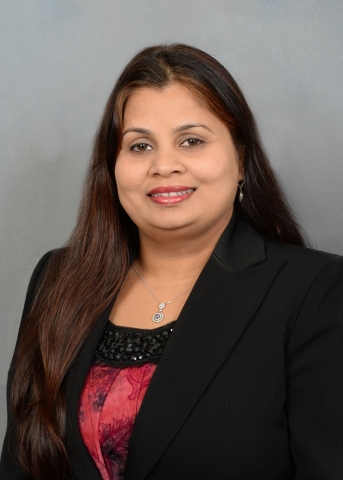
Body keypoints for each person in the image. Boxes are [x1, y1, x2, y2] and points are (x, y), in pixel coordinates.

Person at [1, 43, 342, 480]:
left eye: (192, 140)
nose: (164, 165)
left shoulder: (315, 291)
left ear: (241, 159)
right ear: (113, 166)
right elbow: (19, 465)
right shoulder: (58, 279)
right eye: (140, 146)